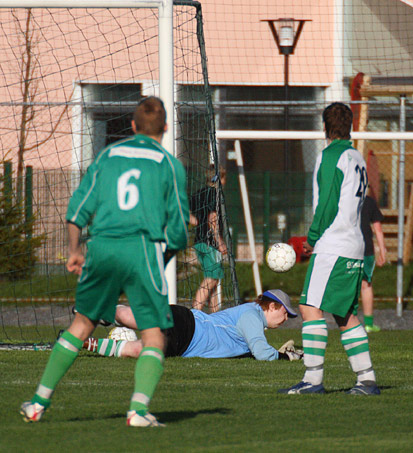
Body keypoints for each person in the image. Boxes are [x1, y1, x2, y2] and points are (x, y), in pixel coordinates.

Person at [21, 97, 190, 427]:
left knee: (81, 326)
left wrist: (73, 250)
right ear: (166, 129)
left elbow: (77, 210)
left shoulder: (107, 156)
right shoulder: (169, 164)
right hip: (143, 249)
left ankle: (38, 404)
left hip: (101, 247)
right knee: (153, 336)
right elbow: (180, 229)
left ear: (132, 126)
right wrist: (164, 257)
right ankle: (138, 412)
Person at [279, 102, 379, 395]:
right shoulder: (356, 156)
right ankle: (367, 379)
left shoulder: (331, 155)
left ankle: (312, 379)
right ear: (348, 126)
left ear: (325, 127)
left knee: (310, 307)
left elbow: (328, 202)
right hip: (355, 244)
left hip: (333, 244)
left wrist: (311, 237)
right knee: (344, 313)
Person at [83, 290, 302, 361]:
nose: (285, 320)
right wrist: (285, 356)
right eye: (285, 313)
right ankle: (88, 336)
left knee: (137, 319)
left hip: (185, 322)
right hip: (188, 331)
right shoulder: (252, 316)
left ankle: (93, 315)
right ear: (272, 306)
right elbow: (261, 352)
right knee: (142, 347)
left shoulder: (249, 313)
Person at [190, 165, 228, 312]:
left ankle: (215, 314)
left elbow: (184, 210)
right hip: (210, 243)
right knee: (211, 279)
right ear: (220, 178)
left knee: (213, 277)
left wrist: (196, 222)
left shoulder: (198, 193)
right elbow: (213, 218)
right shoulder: (215, 194)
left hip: (198, 242)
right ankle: (195, 313)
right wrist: (220, 242)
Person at [360, 194, 387, 333]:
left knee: (349, 284)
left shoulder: (343, 198)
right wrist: (382, 250)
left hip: (348, 248)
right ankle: (368, 324)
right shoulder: (369, 201)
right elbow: (378, 229)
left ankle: (348, 322)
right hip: (366, 249)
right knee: (366, 285)